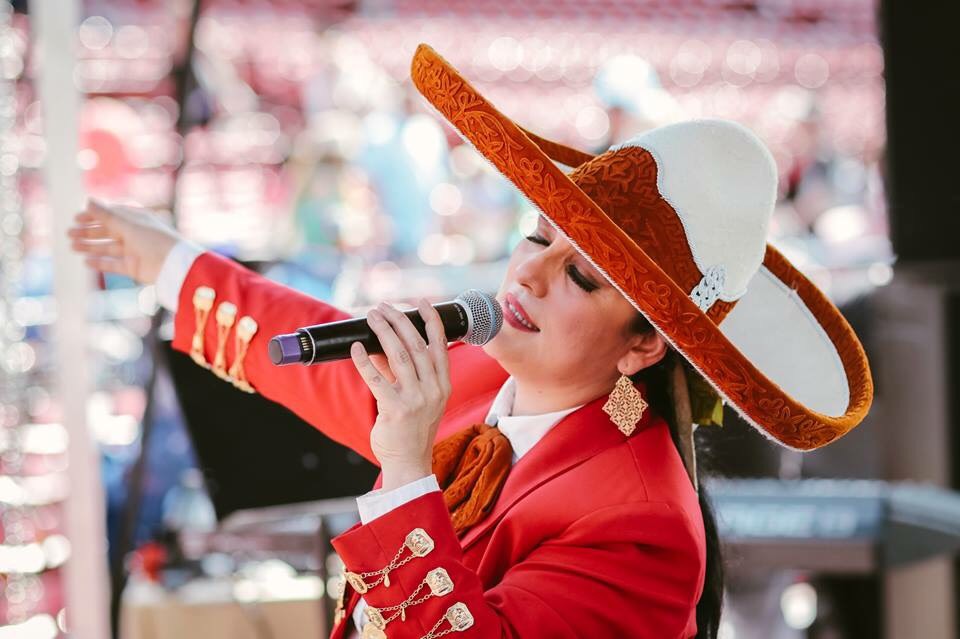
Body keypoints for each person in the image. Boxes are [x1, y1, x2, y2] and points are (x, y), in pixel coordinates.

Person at [69, 44, 873, 639]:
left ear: (642, 348)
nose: (528, 275)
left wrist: (409, 470)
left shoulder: (641, 521)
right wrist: (168, 261)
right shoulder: (484, 375)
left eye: (582, 277)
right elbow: (317, 350)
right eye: (538, 237)